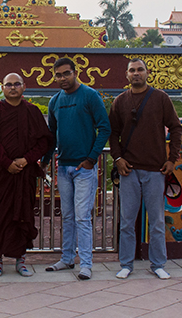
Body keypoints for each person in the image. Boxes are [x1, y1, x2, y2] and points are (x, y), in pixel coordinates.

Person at [109, 58, 182, 280]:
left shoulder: (161, 99)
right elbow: (112, 133)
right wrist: (118, 158)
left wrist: (172, 159)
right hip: (129, 170)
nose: (136, 73)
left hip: (155, 170)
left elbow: (176, 128)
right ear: (127, 75)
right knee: (127, 221)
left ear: (147, 72)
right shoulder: (120, 101)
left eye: (140, 69)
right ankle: (126, 264)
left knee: (157, 221)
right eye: (132, 70)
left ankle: (158, 263)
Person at [44, 57, 111, 280]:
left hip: (84, 168)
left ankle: (86, 263)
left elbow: (104, 128)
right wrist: (44, 161)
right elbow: (51, 135)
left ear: (75, 72)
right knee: (68, 216)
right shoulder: (54, 101)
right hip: (63, 166)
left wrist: (92, 158)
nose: (63, 78)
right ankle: (66, 258)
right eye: (58, 75)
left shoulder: (89, 96)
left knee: (83, 216)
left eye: (66, 73)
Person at [0, 73, 53, 277]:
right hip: (1, 174)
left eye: (17, 84)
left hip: (25, 174)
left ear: (24, 87)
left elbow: (44, 141)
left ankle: (21, 260)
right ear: (2, 88)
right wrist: (7, 163)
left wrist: (27, 159)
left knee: (23, 216)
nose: (13, 88)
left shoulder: (33, 111)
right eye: (8, 85)